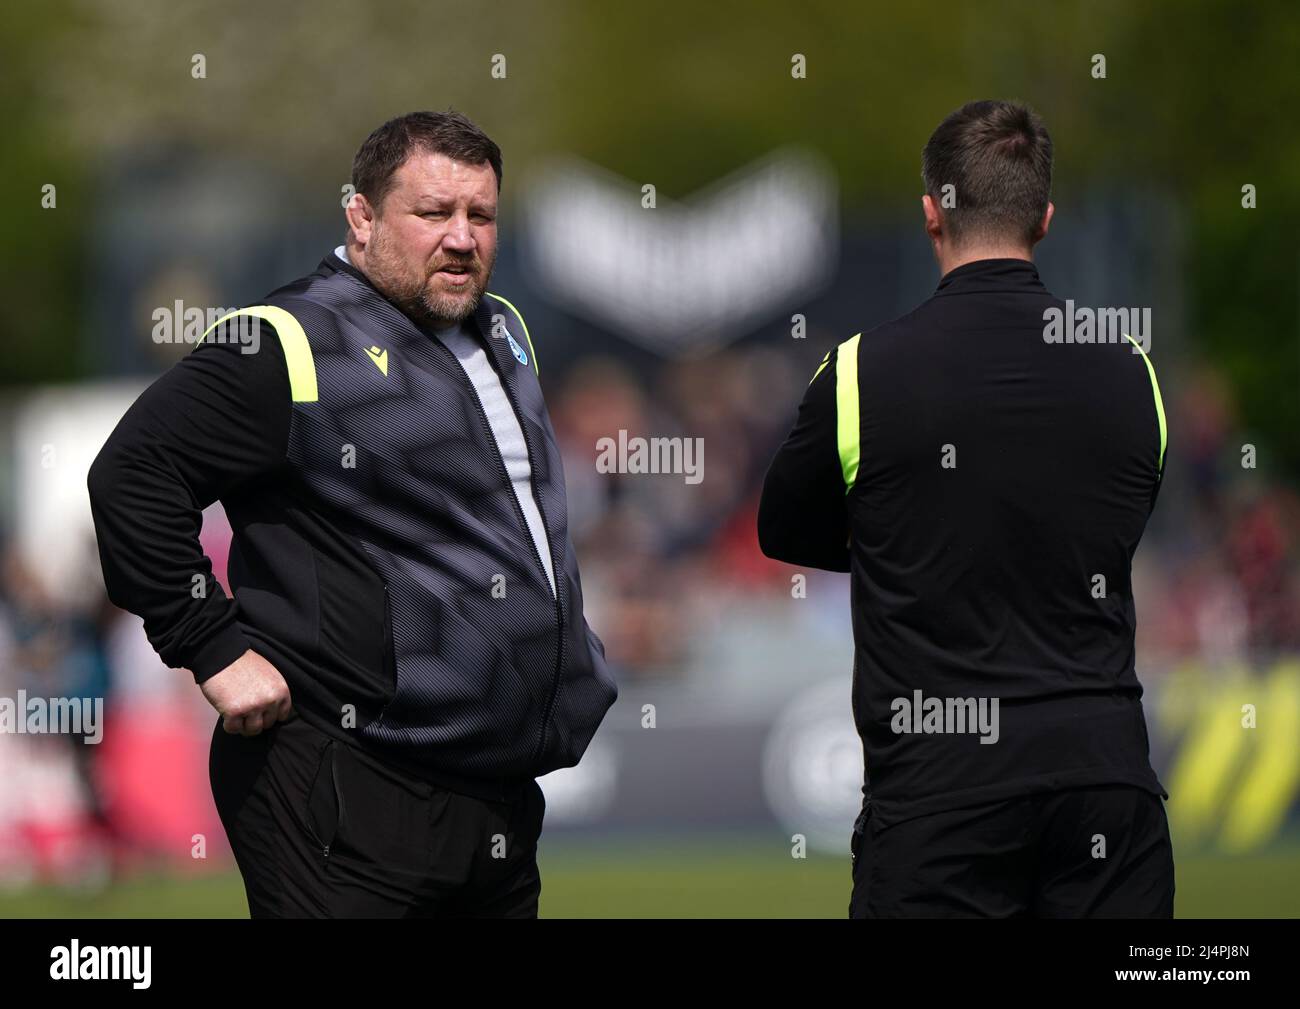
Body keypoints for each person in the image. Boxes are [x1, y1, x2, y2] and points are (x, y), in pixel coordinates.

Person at [88, 110, 618, 917]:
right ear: (362, 217)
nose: (462, 237)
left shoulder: (505, 331)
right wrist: (211, 643)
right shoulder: (284, 339)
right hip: (347, 781)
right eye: (433, 213)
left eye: (481, 215)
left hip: (499, 798)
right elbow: (132, 475)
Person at [758, 100, 1173, 918]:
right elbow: (1110, 525)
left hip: (941, 798)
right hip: (1105, 786)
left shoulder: (858, 375)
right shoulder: (1134, 374)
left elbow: (783, 530)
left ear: (930, 213)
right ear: (1045, 220)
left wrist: (909, 541)